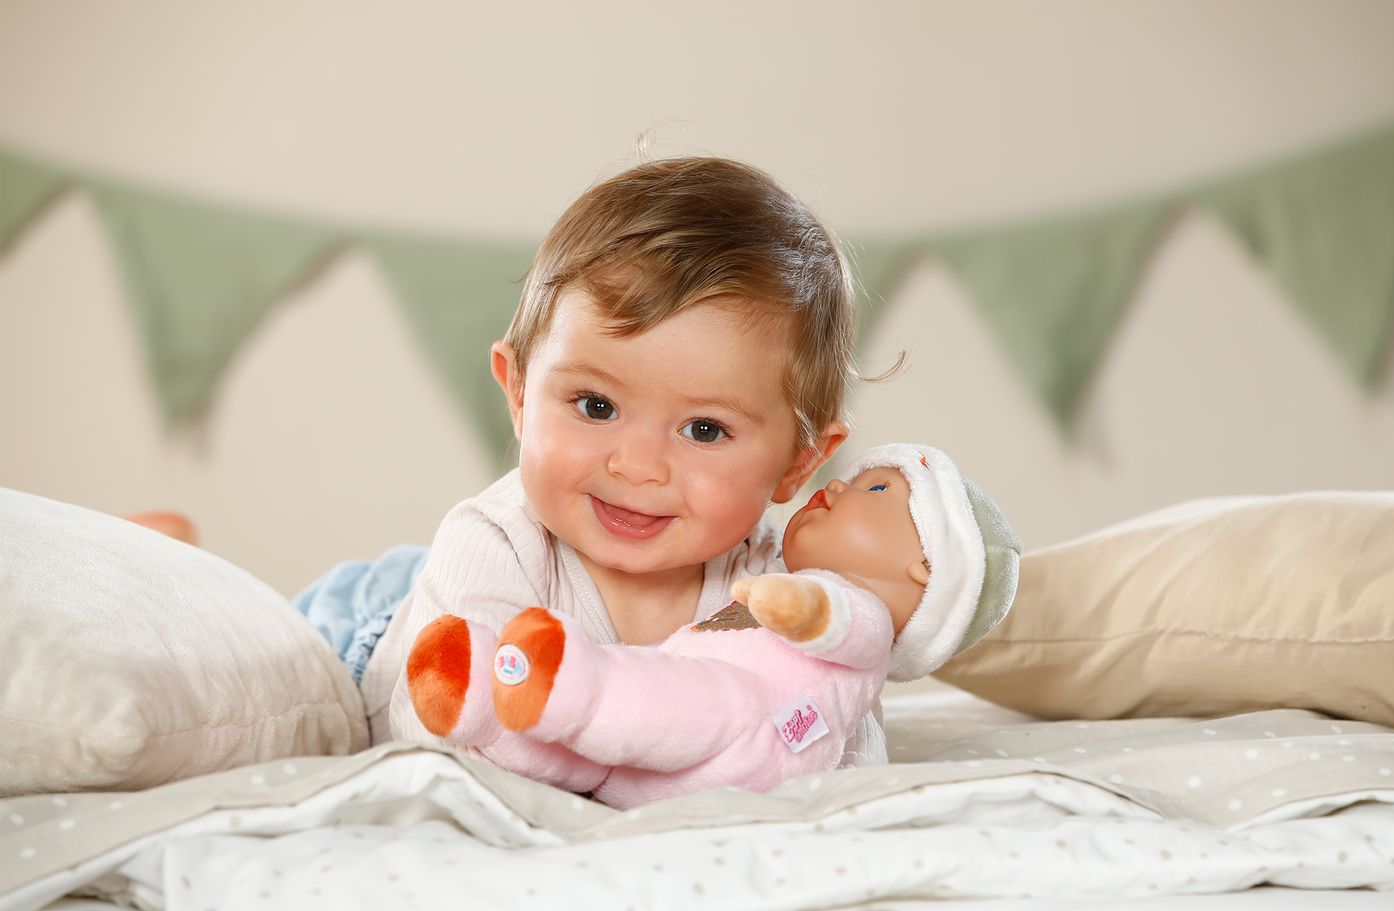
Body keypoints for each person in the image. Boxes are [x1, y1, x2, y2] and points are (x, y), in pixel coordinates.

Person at [296, 157, 880, 761]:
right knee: (285, 665)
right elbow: (461, 740)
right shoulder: (493, 543)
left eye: (704, 430)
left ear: (799, 463)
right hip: (371, 628)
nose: (637, 466)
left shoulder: (780, 591)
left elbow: (836, 728)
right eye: (597, 406)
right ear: (520, 393)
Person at [403, 444, 1021, 809]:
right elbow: (422, 749)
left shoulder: (840, 619)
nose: (835, 485)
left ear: (927, 566)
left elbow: (852, 741)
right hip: (381, 613)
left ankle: (544, 703)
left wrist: (805, 609)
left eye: (875, 487)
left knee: (628, 728)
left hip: (714, 723)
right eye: (595, 407)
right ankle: (495, 699)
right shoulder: (497, 532)